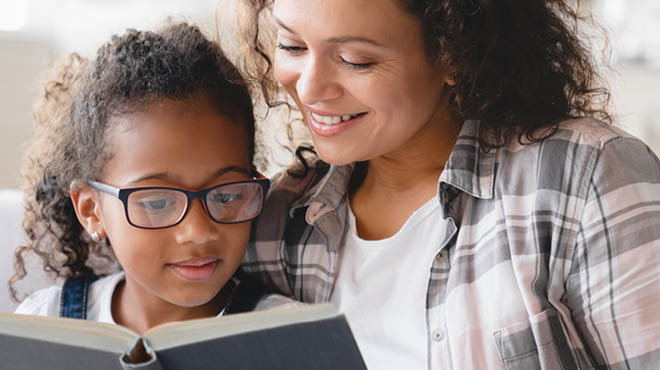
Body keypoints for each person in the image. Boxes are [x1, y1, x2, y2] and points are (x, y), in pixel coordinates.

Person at [233, 0, 660, 369]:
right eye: (292, 46)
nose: (309, 87)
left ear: (453, 53)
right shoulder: (277, 219)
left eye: (355, 60)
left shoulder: (584, 181)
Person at [10, 22, 273, 334]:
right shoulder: (44, 324)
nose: (198, 232)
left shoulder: (289, 336)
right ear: (91, 211)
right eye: (158, 202)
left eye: (226, 196)